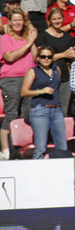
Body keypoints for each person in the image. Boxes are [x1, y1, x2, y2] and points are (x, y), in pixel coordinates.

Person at [0, 9, 37, 160]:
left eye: (20, 20)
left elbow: (35, 57)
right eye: (15, 20)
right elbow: (9, 57)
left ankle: (24, 146)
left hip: (29, 79)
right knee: (11, 114)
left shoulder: (27, 38)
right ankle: (5, 149)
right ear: (9, 22)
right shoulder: (5, 39)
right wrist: (28, 43)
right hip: (11, 79)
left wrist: (31, 41)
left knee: (28, 115)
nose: (17, 23)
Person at [20, 45, 66, 159]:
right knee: (40, 147)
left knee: (62, 147)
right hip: (40, 110)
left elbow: (57, 87)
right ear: (38, 58)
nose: (46, 59)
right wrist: (40, 91)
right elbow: (24, 92)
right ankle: (36, 174)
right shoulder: (33, 71)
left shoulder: (57, 70)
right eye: (43, 56)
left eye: (49, 57)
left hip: (57, 110)